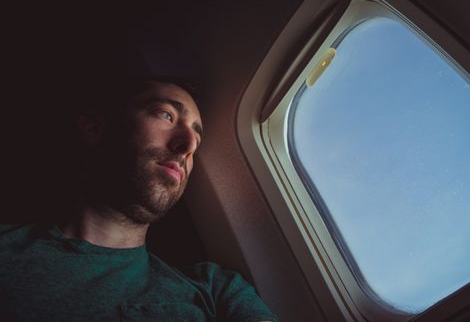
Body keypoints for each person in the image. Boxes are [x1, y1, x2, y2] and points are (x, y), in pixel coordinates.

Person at [0, 77, 279, 321]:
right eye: (166, 115)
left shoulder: (217, 290)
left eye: (198, 138)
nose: (189, 146)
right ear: (95, 128)